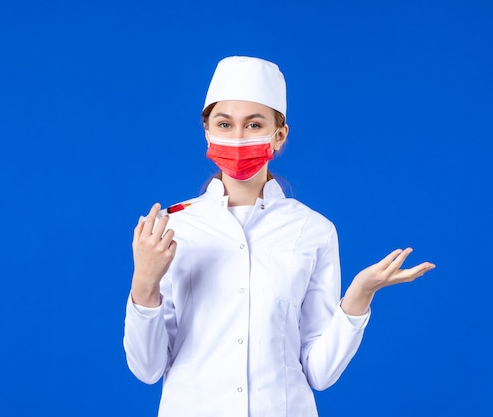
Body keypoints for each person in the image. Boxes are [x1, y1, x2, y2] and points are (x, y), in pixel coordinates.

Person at [123, 56, 435, 417]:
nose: (238, 137)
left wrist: (359, 296)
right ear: (207, 131)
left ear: (279, 136)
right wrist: (145, 282)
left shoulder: (313, 231)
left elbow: (319, 373)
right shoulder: (171, 229)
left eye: (254, 124)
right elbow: (146, 370)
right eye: (224, 124)